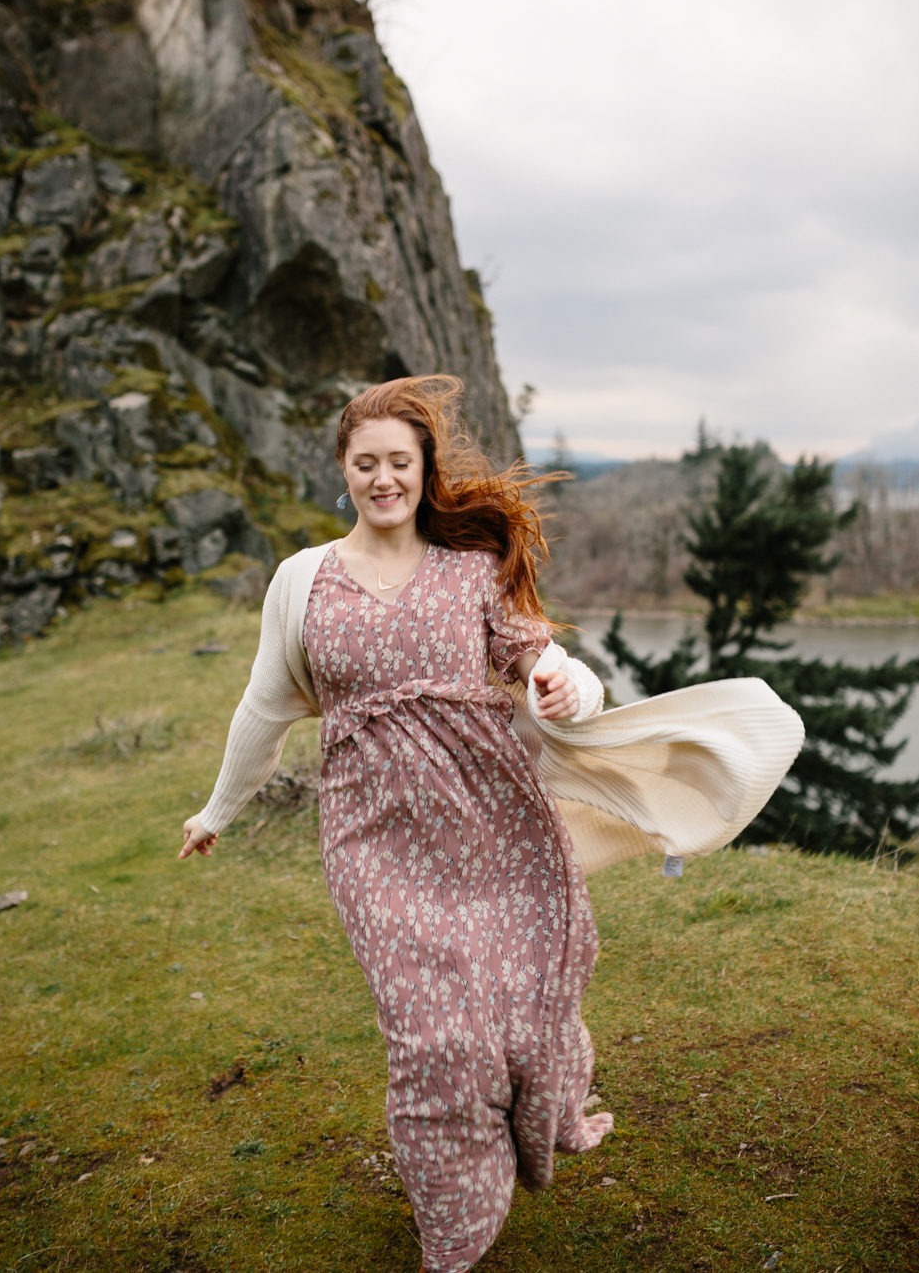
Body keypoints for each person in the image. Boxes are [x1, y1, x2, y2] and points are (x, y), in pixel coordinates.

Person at [179, 375, 613, 1273]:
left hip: (494, 818)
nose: (384, 479)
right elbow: (264, 708)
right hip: (373, 834)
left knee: (522, 1007)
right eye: (366, 463)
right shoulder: (305, 580)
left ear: (423, 470)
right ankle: (454, 1234)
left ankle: (552, 1104)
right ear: (344, 469)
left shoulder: (471, 568)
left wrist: (573, 688)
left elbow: (548, 660)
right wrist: (217, 808)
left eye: (399, 463)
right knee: (434, 1036)